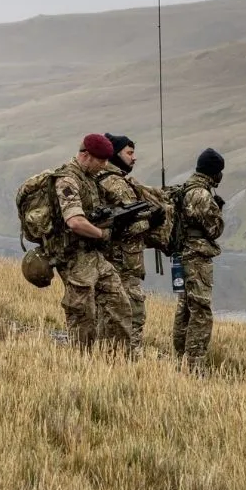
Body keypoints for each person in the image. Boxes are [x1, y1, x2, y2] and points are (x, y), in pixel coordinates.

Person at [52, 134, 132, 352]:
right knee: (82, 317)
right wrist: (101, 234)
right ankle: (81, 364)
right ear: (86, 156)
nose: (105, 165)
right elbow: (75, 222)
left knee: (120, 305)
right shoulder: (67, 180)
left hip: (93, 256)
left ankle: (116, 360)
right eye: (101, 160)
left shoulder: (90, 179)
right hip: (74, 257)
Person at [95, 133, 164, 354]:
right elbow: (123, 228)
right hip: (122, 263)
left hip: (111, 262)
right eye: (129, 153)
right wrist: (151, 222)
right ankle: (126, 363)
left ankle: (107, 360)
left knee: (108, 318)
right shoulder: (116, 184)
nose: (134, 158)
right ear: (115, 154)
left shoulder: (103, 178)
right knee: (132, 316)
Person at [172, 148, 226, 374]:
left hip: (183, 254)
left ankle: (179, 359)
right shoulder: (202, 195)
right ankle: (194, 365)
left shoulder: (185, 188)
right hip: (197, 257)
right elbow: (214, 229)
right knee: (201, 310)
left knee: (185, 307)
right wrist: (219, 210)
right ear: (214, 172)